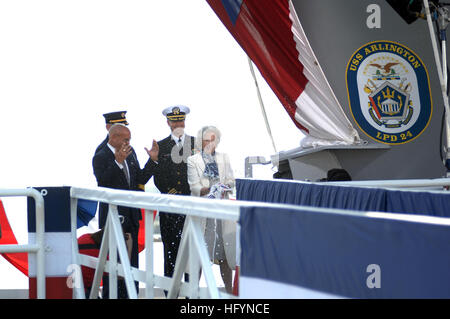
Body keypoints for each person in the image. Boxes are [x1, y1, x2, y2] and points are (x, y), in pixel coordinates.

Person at [92, 123, 158, 298]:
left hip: (131, 217)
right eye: (126, 139)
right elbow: (103, 183)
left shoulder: (130, 152)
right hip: (113, 219)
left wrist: (152, 161)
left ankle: (131, 296)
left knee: (131, 265)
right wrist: (117, 162)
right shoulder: (101, 156)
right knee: (113, 264)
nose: (129, 142)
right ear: (113, 138)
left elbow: (139, 180)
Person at [187, 125, 235, 293]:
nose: (209, 143)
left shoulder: (224, 157)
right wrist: (211, 189)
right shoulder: (193, 160)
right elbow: (194, 187)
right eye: (206, 140)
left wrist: (224, 187)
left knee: (225, 256)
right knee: (199, 256)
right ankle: (193, 294)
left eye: (212, 140)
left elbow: (231, 181)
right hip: (203, 215)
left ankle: (230, 293)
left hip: (221, 214)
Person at [152, 105, 195, 282]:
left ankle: (191, 295)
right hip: (170, 208)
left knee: (192, 253)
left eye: (181, 119)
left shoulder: (195, 144)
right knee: (171, 252)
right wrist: (171, 192)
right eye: (174, 120)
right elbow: (157, 176)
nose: (178, 123)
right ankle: (170, 292)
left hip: (192, 207)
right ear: (168, 122)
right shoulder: (160, 146)